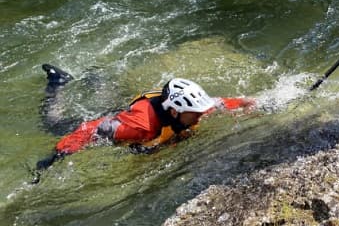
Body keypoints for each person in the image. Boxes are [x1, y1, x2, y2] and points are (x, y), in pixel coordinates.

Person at [35, 64, 256, 171]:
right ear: (174, 112)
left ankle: (95, 77)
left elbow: (217, 104)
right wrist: (59, 154)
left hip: (130, 111)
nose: (200, 116)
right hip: (118, 121)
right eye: (195, 114)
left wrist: (244, 103)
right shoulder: (141, 128)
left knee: (110, 105)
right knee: (53, 123)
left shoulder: (187, 110)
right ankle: (58, 83)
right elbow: (93, 129)